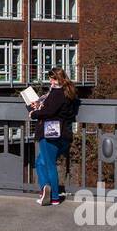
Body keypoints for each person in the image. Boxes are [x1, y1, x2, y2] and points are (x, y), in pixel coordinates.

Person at [28, 67, 79, 206]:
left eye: (52, 78)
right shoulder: (69, 92)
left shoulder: (57, 93)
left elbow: (49, 111)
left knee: (49, 164)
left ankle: (54, 196)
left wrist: (34, 113)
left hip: (50, 133)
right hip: (63, 134)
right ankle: (46, 189)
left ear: (58, 79)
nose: (50, 80)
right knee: (40, 162)